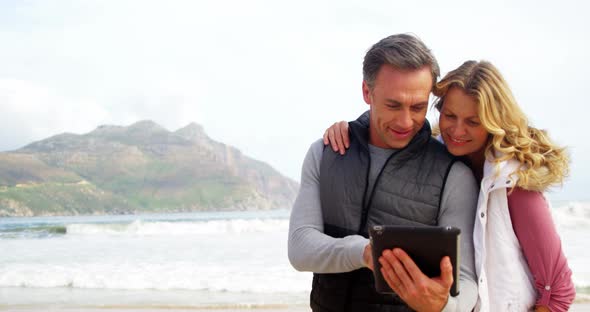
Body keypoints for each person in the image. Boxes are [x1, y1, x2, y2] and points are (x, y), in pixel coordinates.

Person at [323, 60, 576, 311]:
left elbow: (557, 290)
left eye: (473, 122)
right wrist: (353, 132)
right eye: (450, 115)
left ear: (494, 122)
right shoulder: (441, 160)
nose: (457, 130)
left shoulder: (514, 184)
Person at [288, 33, 479, 312]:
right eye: (393, 105)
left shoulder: (454, 175)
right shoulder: (325, 152)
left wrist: (443, 306)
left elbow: (466, 281)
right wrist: (366, 252)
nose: (405, 121)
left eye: (418, 107)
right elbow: (300, 248)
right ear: (367, 92)